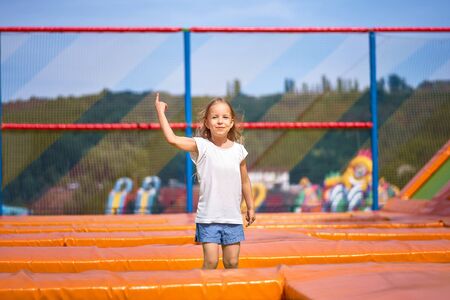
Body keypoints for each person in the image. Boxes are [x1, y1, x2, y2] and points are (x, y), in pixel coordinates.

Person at [155, 93, 255, 269]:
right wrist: (160, 111)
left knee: (232, 262)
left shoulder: (239, 151)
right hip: (208, 217)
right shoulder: (202, 146)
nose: (220, 121)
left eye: (225, 117)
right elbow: (172, 139)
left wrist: (251, 207)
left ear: (231, 122)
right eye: (214, 117)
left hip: (232, 218)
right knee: (211, 261)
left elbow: (245, 181)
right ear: (207, 123)